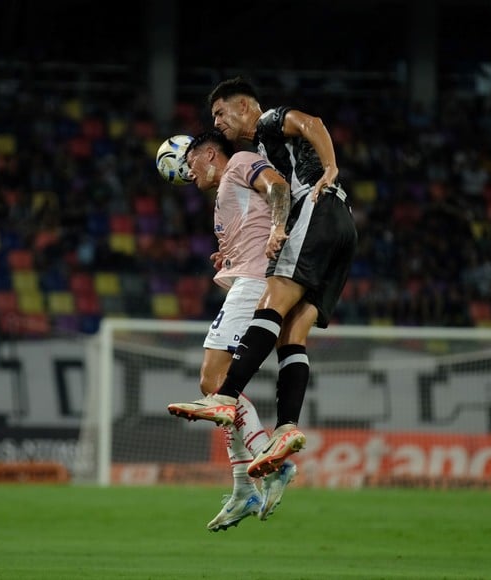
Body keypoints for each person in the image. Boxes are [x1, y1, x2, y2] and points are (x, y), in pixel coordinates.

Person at [168, 77, 358, 481]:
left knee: (271, 300)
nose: (216, 122)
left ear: (244, 106)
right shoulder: (260, 151)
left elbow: (311, 123)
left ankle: (225, 395)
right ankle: (286, 427)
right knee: (293, 332)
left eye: (220, 112)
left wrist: (330, 167)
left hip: (316, 208)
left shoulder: (269, 121)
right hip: (343, 229)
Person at [179, 130, 298, 531]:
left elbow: (277, 187)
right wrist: (228, 254)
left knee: (214, 382)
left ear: (210, 153)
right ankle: (244, 486)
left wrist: (277, 229)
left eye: (191, 162)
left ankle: (271, 463)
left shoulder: (240, 162)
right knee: (219, 388)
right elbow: (254, 223)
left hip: (255, 283)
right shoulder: (228, 190)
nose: (188, 172)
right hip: (248, 279)